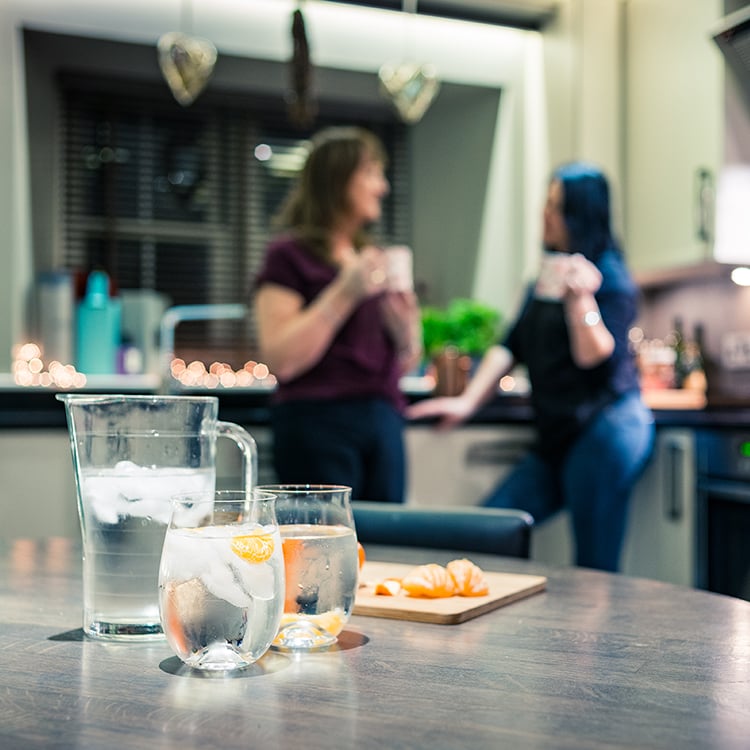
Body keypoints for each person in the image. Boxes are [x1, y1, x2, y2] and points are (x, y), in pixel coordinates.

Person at [407, 162, 654, 571]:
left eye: (556, 205)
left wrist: (581, 301)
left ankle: (596, 638)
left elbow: (596, 356)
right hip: (559, 434)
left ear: (581, 213)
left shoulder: (609, 278)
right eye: (547, 201)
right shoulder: (548, 274)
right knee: (489, 529)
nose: (545, 213)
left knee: (594, 568)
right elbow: (512, 344)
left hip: (605, 431)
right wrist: (467, 402)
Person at [254, 126, 422, 503]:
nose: (383, 187)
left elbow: (409, 359)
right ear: (338, 180)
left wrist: (405, 319)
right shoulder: (289, 256)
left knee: (388, 548)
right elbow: (282, 359)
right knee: (323, 548)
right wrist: (346, 293)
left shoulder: (371, 258)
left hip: (382, 420)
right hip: (316, 423)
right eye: (372, 173)